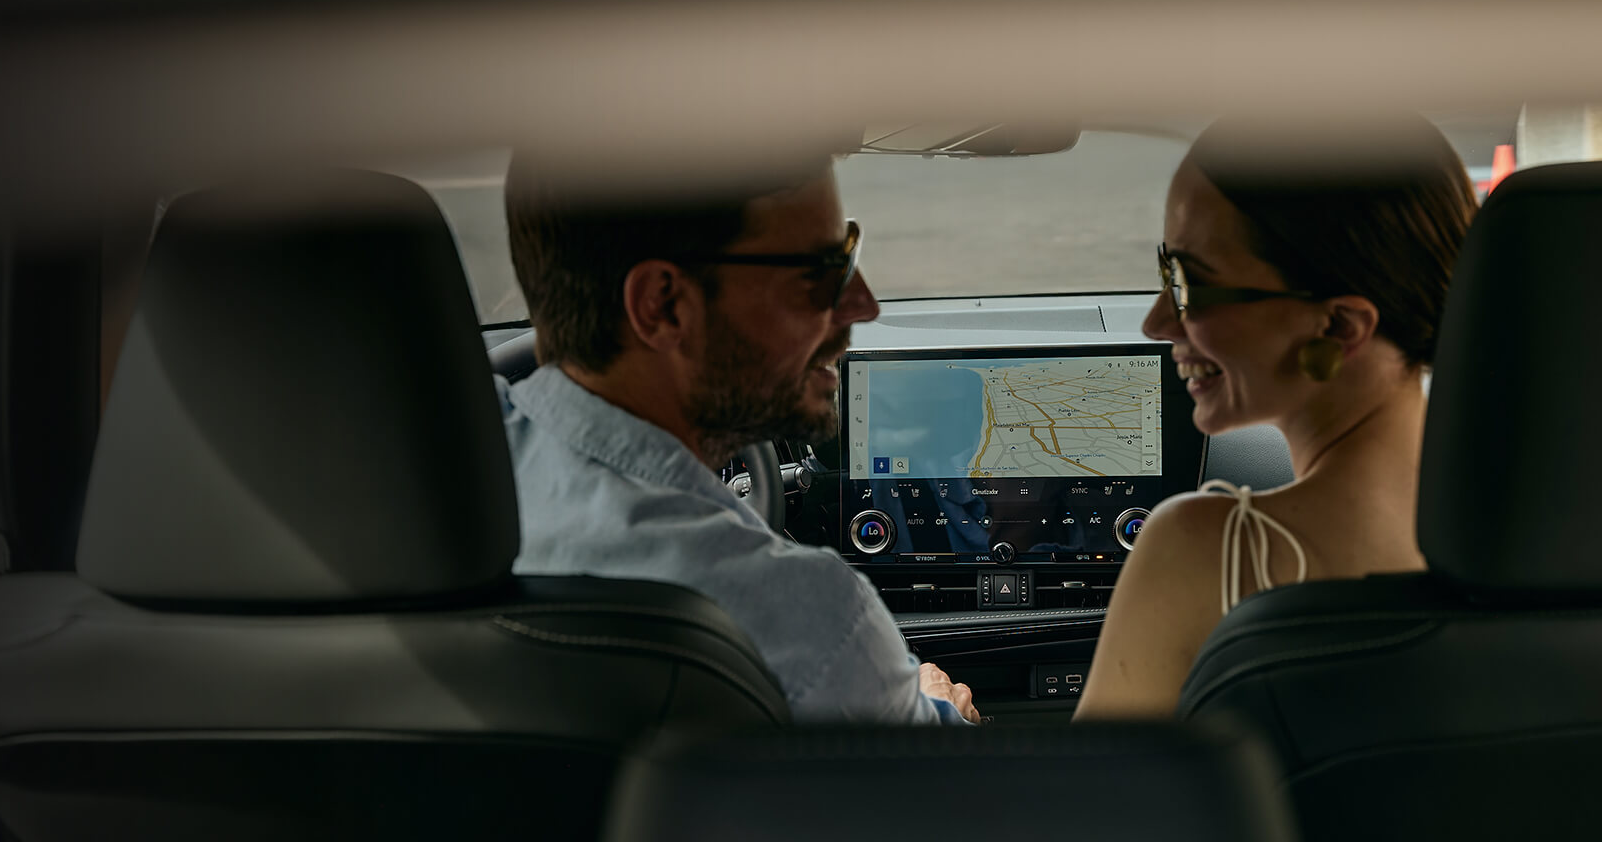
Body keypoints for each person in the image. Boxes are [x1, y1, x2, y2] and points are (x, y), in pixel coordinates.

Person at [499, 150, 978, 723]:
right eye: (821, 272)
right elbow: (953, 797)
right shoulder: (807, 618)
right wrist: (945, 712)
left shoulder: (428, 487)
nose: (863, 305)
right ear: (663, 306)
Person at [1075, 115, 1478, 719]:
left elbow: (1075, 810)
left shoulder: (1204, 552)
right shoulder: (1561, 538)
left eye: (1189, 283)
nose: (1158, 323)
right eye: (1165, 271)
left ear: (1340, 326)